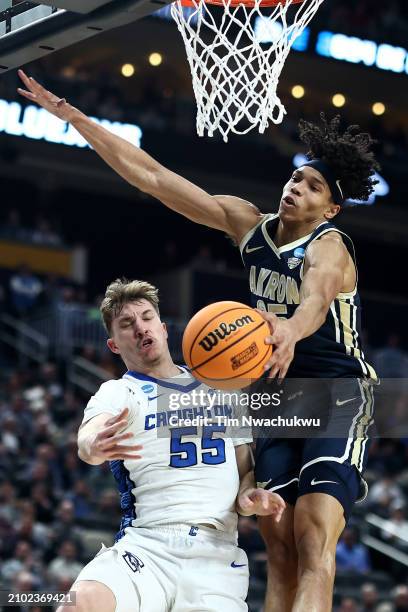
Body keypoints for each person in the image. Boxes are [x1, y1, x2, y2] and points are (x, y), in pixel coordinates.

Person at [18, 72, 378, 611]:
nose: (296, 187)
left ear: (329, 209)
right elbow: (155, 178)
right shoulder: (248, 225)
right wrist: (77, 120)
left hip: (335, 391)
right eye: (297, 177)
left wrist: (289, 330)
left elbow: (316, 299)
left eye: (312, 187)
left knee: (312, 530)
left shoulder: (331, 246)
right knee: (277, 545)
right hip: (275, 397)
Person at [61, 278, 285, 612]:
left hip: (216, 553)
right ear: (114, 346)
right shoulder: (118, 392)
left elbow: (244, 474)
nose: (140, 328)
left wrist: (249, 497)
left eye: (146, 317)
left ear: (163, 329)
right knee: (80, 605)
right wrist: (94, 444)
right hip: (148, 545)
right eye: (127, 324)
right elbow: (87, 440)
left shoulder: (225, 389)